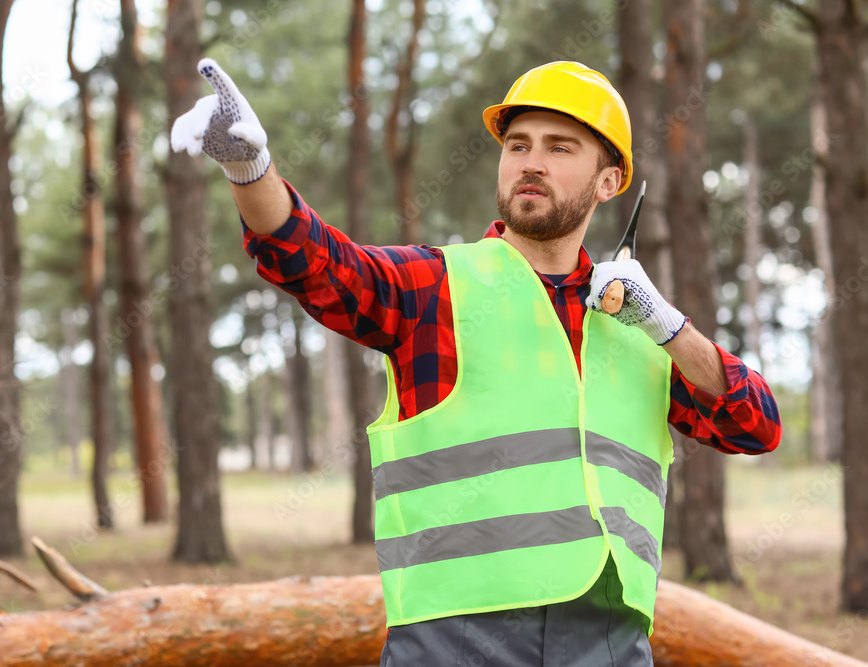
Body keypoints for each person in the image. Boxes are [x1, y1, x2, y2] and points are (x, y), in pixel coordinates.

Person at [171, 59, 781, 667]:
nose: (531, 162)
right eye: (518, 145)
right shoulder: (435, 285)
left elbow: (756, 426)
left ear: (609, 182)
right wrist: (251, 170)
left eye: (560, 147)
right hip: (454, 640)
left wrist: (668, 327)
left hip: (608, 640)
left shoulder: (640, 323)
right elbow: (315, 262)